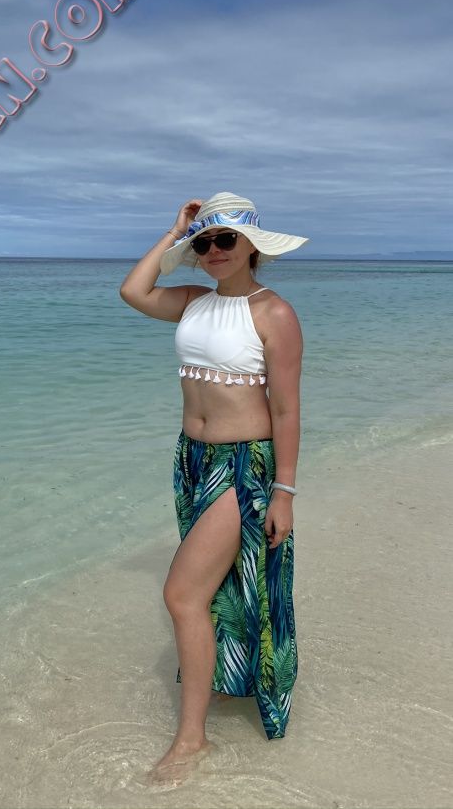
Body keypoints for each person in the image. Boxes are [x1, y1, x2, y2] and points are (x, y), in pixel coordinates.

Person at [119, 191, 309, 784]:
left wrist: (284, 492)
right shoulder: (193, 303)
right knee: (217, 591)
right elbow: (133, 291)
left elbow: (287, 410)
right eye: (203, 243)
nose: (214, 250)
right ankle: (222, 681)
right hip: (193, 461)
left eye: (226, 239)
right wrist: (174, 231)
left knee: (182, 596)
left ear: (253, 245)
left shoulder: (274, 313)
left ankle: (192, 738)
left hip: (244, 467)